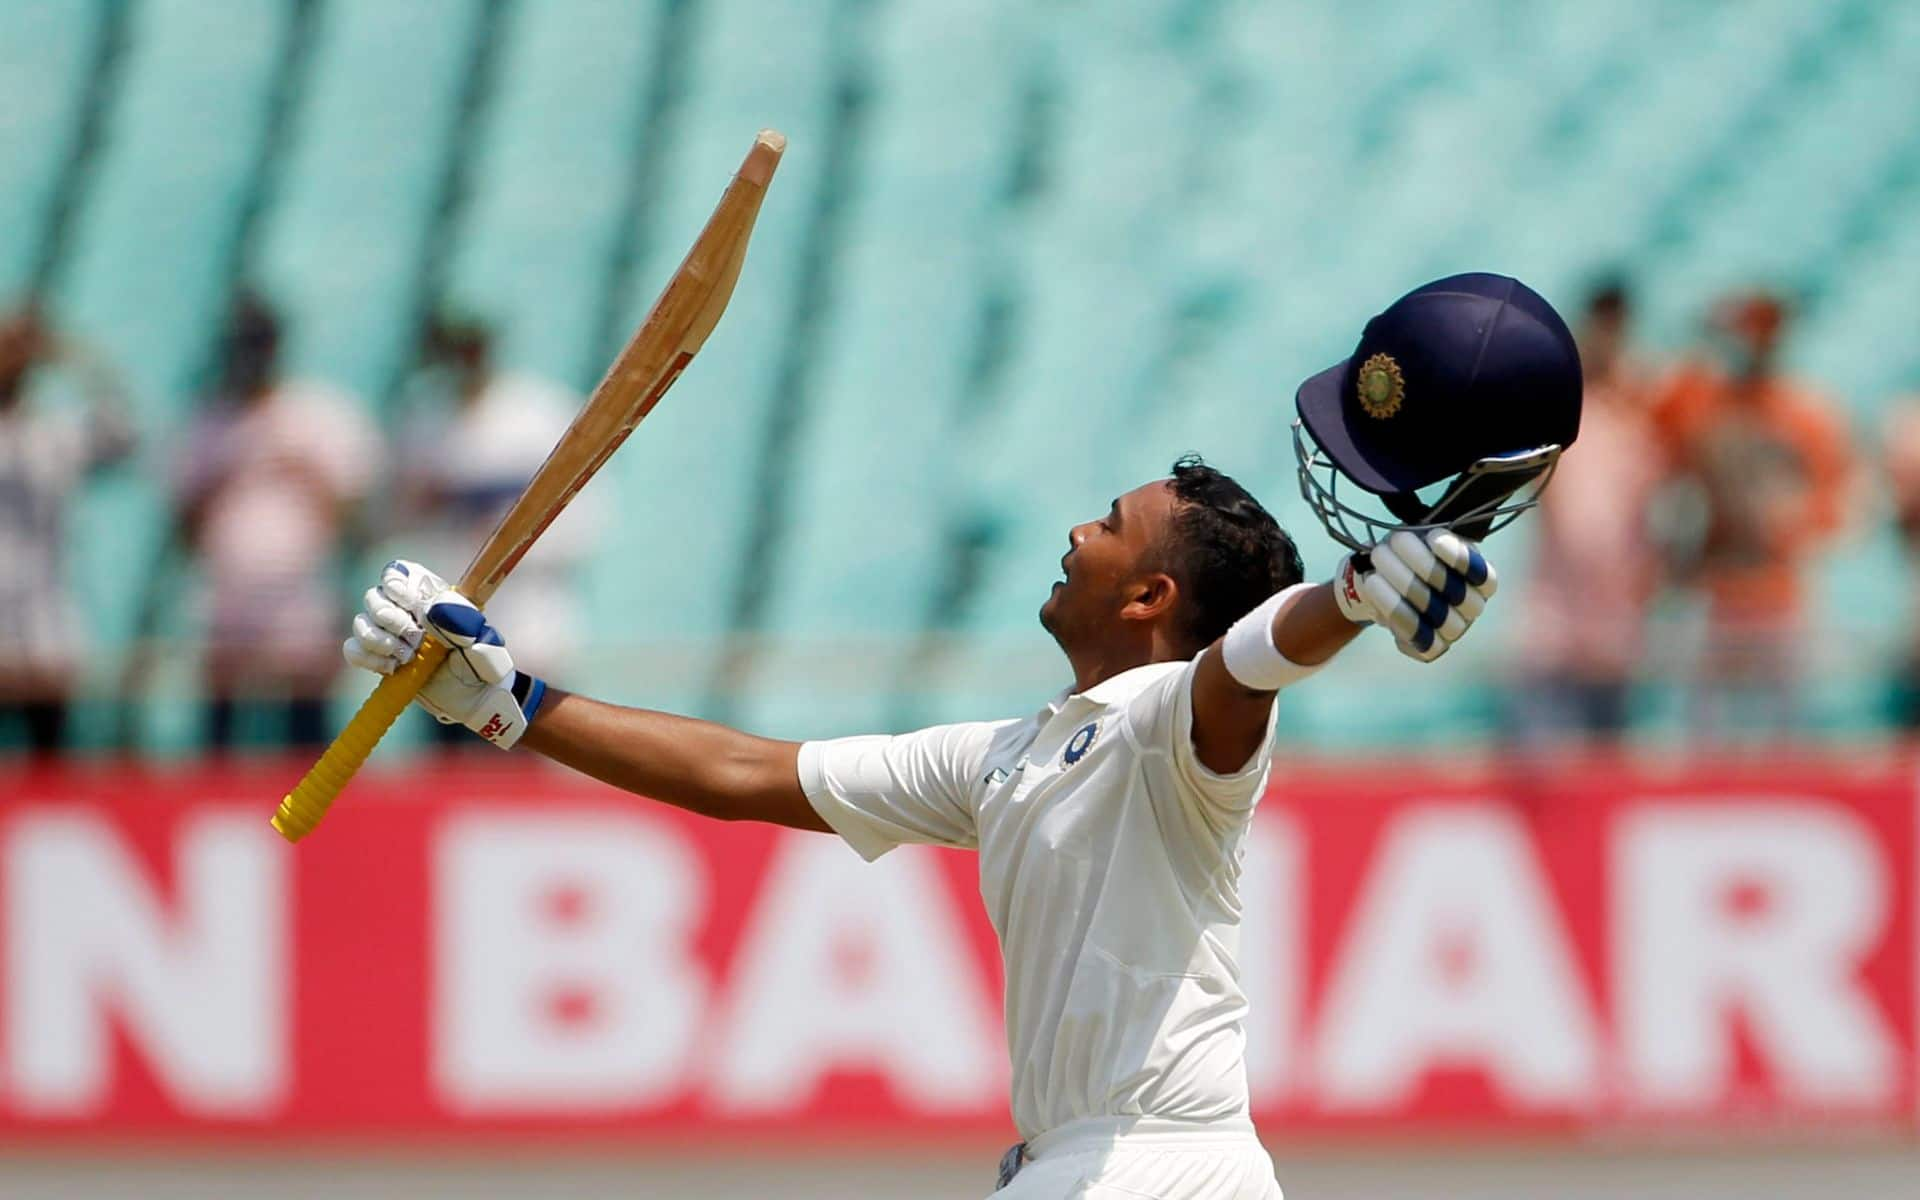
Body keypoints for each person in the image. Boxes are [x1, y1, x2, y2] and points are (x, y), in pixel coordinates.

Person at [339, 275, 1578, 1199]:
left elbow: (1255, 659)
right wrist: (515, 702)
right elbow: (743, 773)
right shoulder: (1008, 758)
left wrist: (1357, 598)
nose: (1076, 536)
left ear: (1150, 600)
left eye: (1108, 526)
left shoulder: (1175, 729)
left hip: (1160, 1170)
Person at [175, 292, 382, 751]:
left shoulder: (318, 414)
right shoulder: (208, 421)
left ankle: (311, 816)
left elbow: (359, 515)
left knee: (304, 720)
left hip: (300, 590)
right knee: (221, 723)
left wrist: (308, 478)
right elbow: (183, 526)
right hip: (226, 590)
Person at [1649, 290, 1852, 738]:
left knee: (1784, 736)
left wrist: (1796, 522)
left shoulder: (1802, 413)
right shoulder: (1705, 405)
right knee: (1708, 737)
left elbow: (1837, 501)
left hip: (1778, 594)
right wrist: (1701, 341)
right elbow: (1657, 419)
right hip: (1714, 594)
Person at [392, 313, 589, 747]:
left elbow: (581, 521)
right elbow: (400, 518)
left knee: (522, 759)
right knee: (449, 760)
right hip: (442, 634)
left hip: (525, 621)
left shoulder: (538, 413)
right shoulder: (425, 420)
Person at [1514, 279, 1661, 743]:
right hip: (1556, 621)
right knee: (1547, 759)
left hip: (1618, 624)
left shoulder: (1640, 414)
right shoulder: (1559, 411)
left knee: (1606, 765)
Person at [0, 308, 135, 756]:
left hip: (44, 630)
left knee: (50, 766)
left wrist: (74, 355)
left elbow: (124, 433)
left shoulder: (51, 433)